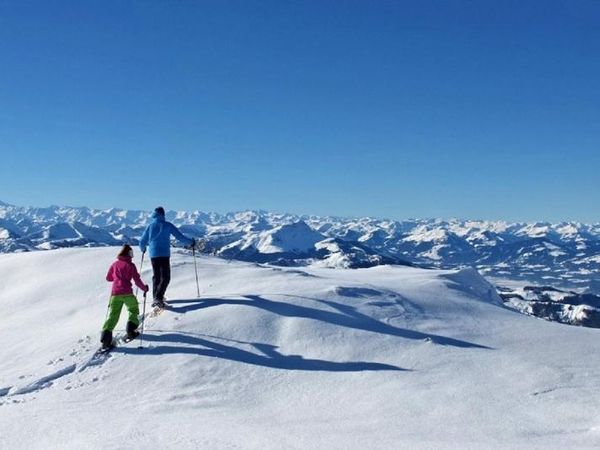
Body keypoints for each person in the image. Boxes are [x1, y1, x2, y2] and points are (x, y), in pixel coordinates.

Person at [139, 206, 195, 308]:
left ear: (154, 215)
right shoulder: (167, 225)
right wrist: (191, 242)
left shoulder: (150, 226)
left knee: (156, 276)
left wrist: (142, 248)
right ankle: (158, 298)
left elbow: (142, 241)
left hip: (153, 255)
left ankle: (156, 297)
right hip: (164, 254)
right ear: (163, 214)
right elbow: (179, 237)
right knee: (166, 277)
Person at [101, 244, 149, 350]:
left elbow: (108, 278)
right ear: (129, 254)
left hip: (115, 294)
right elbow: (137, 280)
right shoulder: (131, 265)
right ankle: (131, 330)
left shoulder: (114, 264)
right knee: (133, 309)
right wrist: (144, 288)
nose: (132, 256)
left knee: (113, 315)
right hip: (127, 293)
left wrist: (117, 278)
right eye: (131, 254)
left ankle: (105, 339)